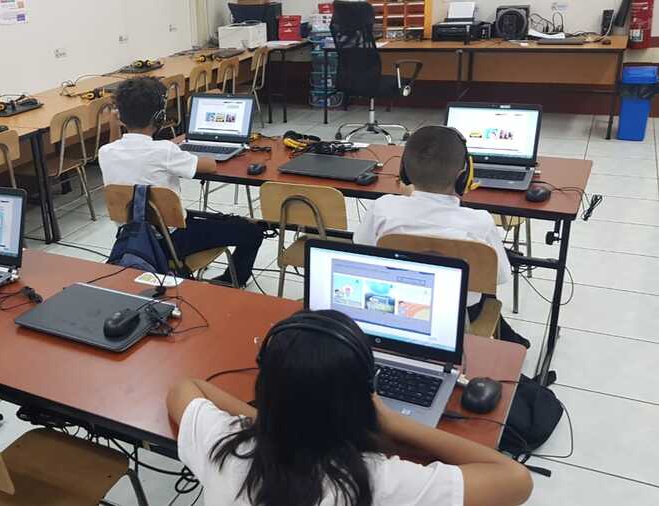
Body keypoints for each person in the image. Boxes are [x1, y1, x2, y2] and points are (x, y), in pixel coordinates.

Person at [167, 309, 533, 506]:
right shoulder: (381, 483)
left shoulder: (223, 447)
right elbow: (516, 481)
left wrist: (273, 421)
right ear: (363, 397)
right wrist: (395, 424)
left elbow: (186, 388)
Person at [354, 126, 530, 348]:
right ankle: (513, 344)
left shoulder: (383, 207)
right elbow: (498, 277)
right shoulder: (480, 222)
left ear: (404, 172)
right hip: (457, 317)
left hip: (395, 307)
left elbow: (361, 245)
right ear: (463, 176)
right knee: (480, 292)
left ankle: (514, 340)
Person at [99, 77, 264, 286]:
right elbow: (210, 166)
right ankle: (233, 281)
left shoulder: (106, 153)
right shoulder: (165, 151)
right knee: (252, 230)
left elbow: (118, 146)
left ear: (121, 116)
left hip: (131, 236)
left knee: (208, 218)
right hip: (172, 242)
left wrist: (115, 124)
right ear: (160, 117)